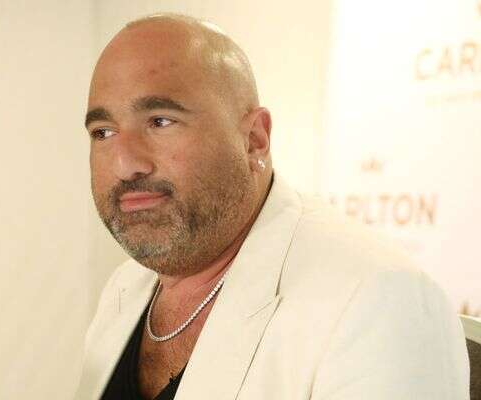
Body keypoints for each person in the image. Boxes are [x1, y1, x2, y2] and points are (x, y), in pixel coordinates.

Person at [75, 13, 470, 400]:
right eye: (103, 132)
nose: (125, 164)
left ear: (254, 140)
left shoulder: (378, 301)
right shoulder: (125, 287)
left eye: (160, 121)